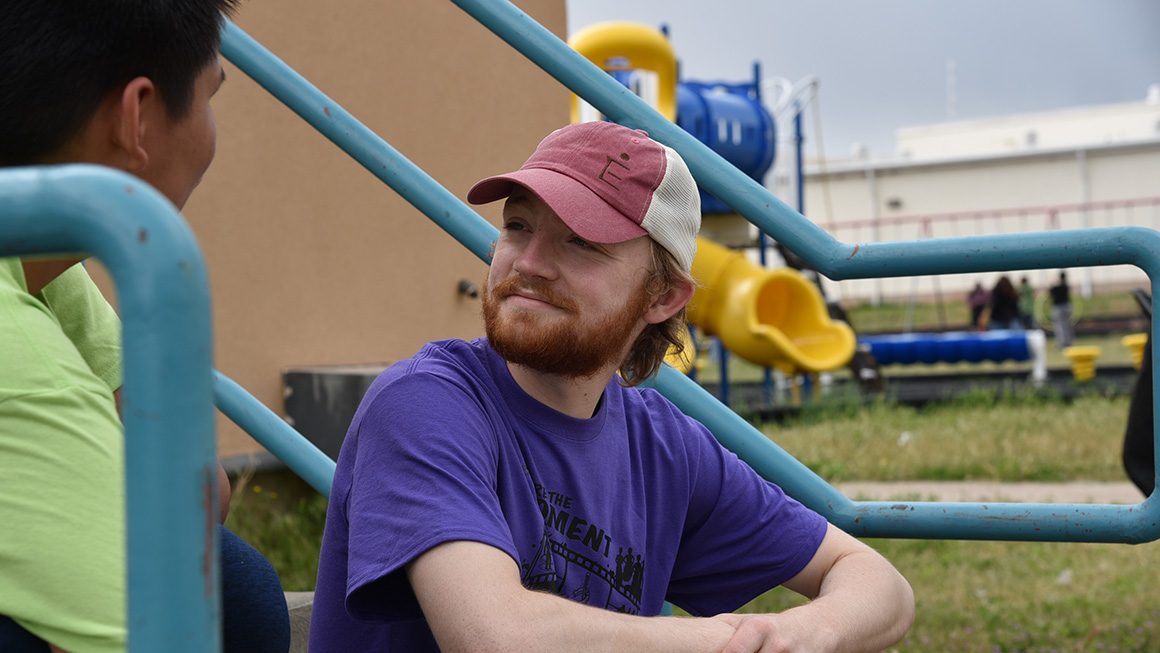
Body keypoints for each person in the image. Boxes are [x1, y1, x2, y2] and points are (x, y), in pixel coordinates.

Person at [310, 121, 914, 652]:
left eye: (581, 241)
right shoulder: (425, 404)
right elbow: (499, 638)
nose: (528, 262)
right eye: (518, 225)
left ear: (663, 296)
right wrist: (724, 641)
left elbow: (878, 583)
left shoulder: (664, 447)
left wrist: (801, 635)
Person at [0, 2, 290, 652]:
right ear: (137, 117)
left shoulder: (32, 253)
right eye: (210, 96)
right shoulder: (18, 364)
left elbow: (198, 487)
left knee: (235, 588)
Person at [1050, 271, 1074, 348]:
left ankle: (1062, 344)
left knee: (1059, 326)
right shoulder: (1066, 286)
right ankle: (1067, 342)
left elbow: (1051, 292)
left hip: (1058, 308)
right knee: (1066, 325)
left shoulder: (1057, 287)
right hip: (1066, 307)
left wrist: (1053, 283)